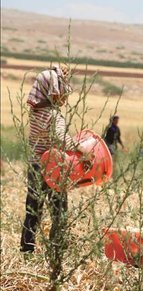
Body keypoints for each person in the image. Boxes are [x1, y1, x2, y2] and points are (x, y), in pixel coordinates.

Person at [20, 65, 90, 253]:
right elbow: (61, 138)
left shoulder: (36, 111)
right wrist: (81, 149)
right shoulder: (52, 115)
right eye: (60, 91)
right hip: (53, 168)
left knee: (33, 210)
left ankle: (27, 248)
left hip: (35, 166)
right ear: (51, 92)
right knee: (59, 211)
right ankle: (56, 249)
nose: (64, 97)